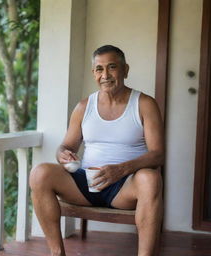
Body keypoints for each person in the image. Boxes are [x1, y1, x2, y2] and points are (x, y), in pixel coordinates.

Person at [29, 45, 164, 256]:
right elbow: (66, 146)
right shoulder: (84, 106)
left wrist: (121, 170)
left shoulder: (144, 104)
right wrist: (62, 154)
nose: (105, 75)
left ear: (125, 70)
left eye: (112, 67)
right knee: (39, 173)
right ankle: (57, 253)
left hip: (125, 187)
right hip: (87, 184)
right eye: (99, 69)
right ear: (94, 73)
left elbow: (158, 154)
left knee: (151, 178)